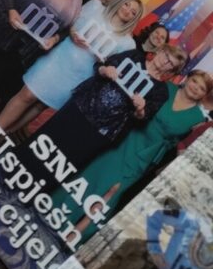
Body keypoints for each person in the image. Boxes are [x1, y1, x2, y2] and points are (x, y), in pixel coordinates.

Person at [0, 0, 143, 155]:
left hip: (81, 75)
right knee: (27, 94)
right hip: (59, 57)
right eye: (127, 4)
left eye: (133, 12)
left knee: (40, 106)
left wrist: (106, 64)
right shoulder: (95, 7)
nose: (127, 10)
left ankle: (0, 137)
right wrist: (73, 34)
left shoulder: (128, 44)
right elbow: (70, 24)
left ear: (134, 19)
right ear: (120, 1)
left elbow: (112, 67)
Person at [74, 70, 213, 240]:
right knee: (95, 172)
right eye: (195, 81)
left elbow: (182, 144)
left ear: (204, 95)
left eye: (202, 88)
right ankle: (64, 211)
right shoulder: (166, 88)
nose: (196, 88)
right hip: (128, 138)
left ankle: (79, 233)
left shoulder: (198, 118)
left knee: (114, 189)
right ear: (187, 79)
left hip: (147, 154)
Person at [29, 43, 188, 174]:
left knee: (67, 159)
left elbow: (143, 118)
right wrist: (106, 70)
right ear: (160, 51)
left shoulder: (161, 91)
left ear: (172, 71)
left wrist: (140, 108)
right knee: (48, 137)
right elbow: (100, 66)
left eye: (171, 64)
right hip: (83, 105)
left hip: (105, 129)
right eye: (166, 55)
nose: (165, 62)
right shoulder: (134, 55)